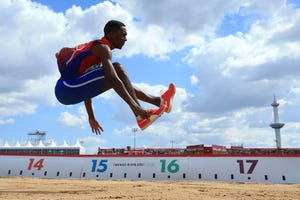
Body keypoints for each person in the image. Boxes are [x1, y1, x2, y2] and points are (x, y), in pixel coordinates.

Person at [55, 20, 175, 134]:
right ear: (111, 34)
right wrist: (136, 107)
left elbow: (87, 88)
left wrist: (91, 117)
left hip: (71, 89)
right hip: (66, 88)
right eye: (123, 35)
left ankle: (159, 102)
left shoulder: (96, 53)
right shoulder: (102, 48)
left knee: (117, 73)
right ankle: (140, 114)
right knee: (116, 69)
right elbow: (113, 80)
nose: (126, 39)